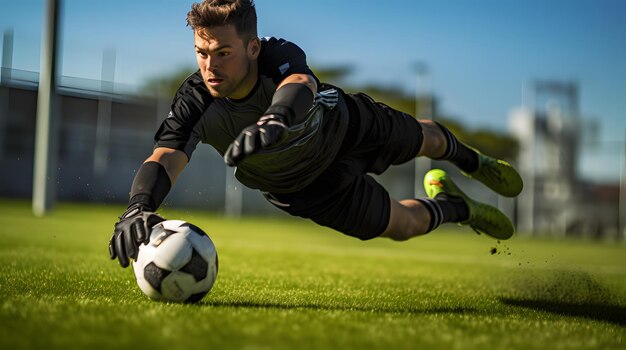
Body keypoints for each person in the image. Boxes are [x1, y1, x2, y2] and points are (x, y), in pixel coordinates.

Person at [109, 0, 523, 268]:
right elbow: (164, 156)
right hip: (308, 189)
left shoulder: (278, 55)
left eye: (223, 53)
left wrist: (275, 120)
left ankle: (475, 162)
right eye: (202, 53)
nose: (210, 66)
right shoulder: (195, 98)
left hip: (344, 127)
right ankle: (457, 208)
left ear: (252, 48)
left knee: (424, 136)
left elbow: (301, 86)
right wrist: (137, 207)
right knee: (404, 225)